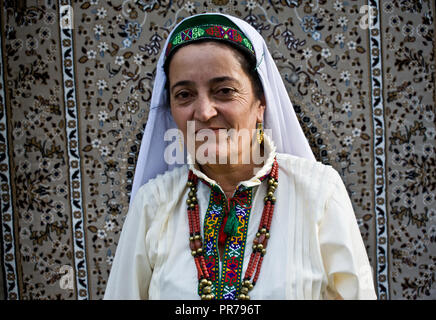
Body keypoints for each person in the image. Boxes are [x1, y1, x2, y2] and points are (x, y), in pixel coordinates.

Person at [104, 13, 377, 300]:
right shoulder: (152, 205)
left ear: (261, 103)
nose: (205, 112)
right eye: (184, 94)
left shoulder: (319, 194)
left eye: (224, 91)